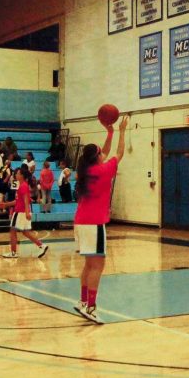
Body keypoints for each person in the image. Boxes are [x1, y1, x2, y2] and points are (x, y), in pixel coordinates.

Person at [72, 115, 129, 323]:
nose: (102, 154)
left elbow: (105, 152)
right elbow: (119, 153)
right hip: (94, 223)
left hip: (81, 222)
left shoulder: (85, 170)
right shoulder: (103, 170)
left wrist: (110, 132)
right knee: (98, 265)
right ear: (96, 157)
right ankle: (91, 306)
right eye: (100, 153)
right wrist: (122, 131)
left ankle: (82, 301)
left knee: (89, 264)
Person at [0, 165, 48, 259]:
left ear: (21, 175)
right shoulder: (21, 185)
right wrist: (6, 204)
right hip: (22, 212)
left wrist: (27, 212)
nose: (16, 174)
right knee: (26, 232)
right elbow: (18, 200)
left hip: (20, 212)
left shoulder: (23, 186)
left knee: (12, 230)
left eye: (17, 173)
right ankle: (42, 246)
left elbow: (26, 200)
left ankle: (13, 253)